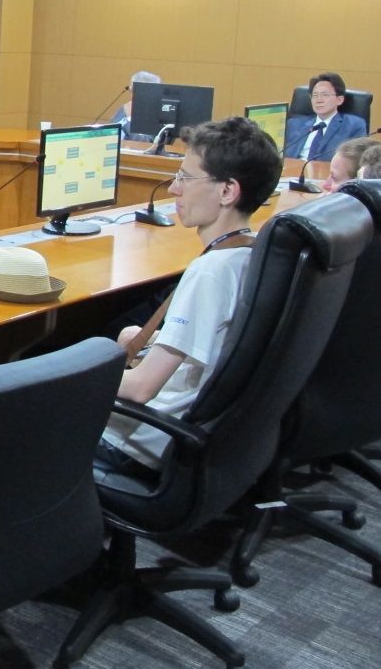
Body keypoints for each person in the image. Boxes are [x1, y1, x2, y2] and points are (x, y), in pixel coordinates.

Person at [98, 116, 282, 477]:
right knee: (127, 334)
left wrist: (74, 380)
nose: (173, 189)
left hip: (139, 445)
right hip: (199, 435)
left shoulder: (210, 272)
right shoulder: (249, 253)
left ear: (227, 191)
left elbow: (141, 389)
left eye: (185, 177)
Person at [283, 72, 367, 162]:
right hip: (293, 169)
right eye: (315, 95)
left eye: (325, 95)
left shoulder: (353, 125)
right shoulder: (293, 124)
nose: (319, 100)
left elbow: (356, 161)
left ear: (339, 100)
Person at [110, 70, 161, 142]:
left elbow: (143, 143)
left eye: (136, 92)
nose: (132, 96)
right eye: (131, 91)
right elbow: (111, 131)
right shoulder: (127, 107)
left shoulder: (155, 116)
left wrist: (129, 118)